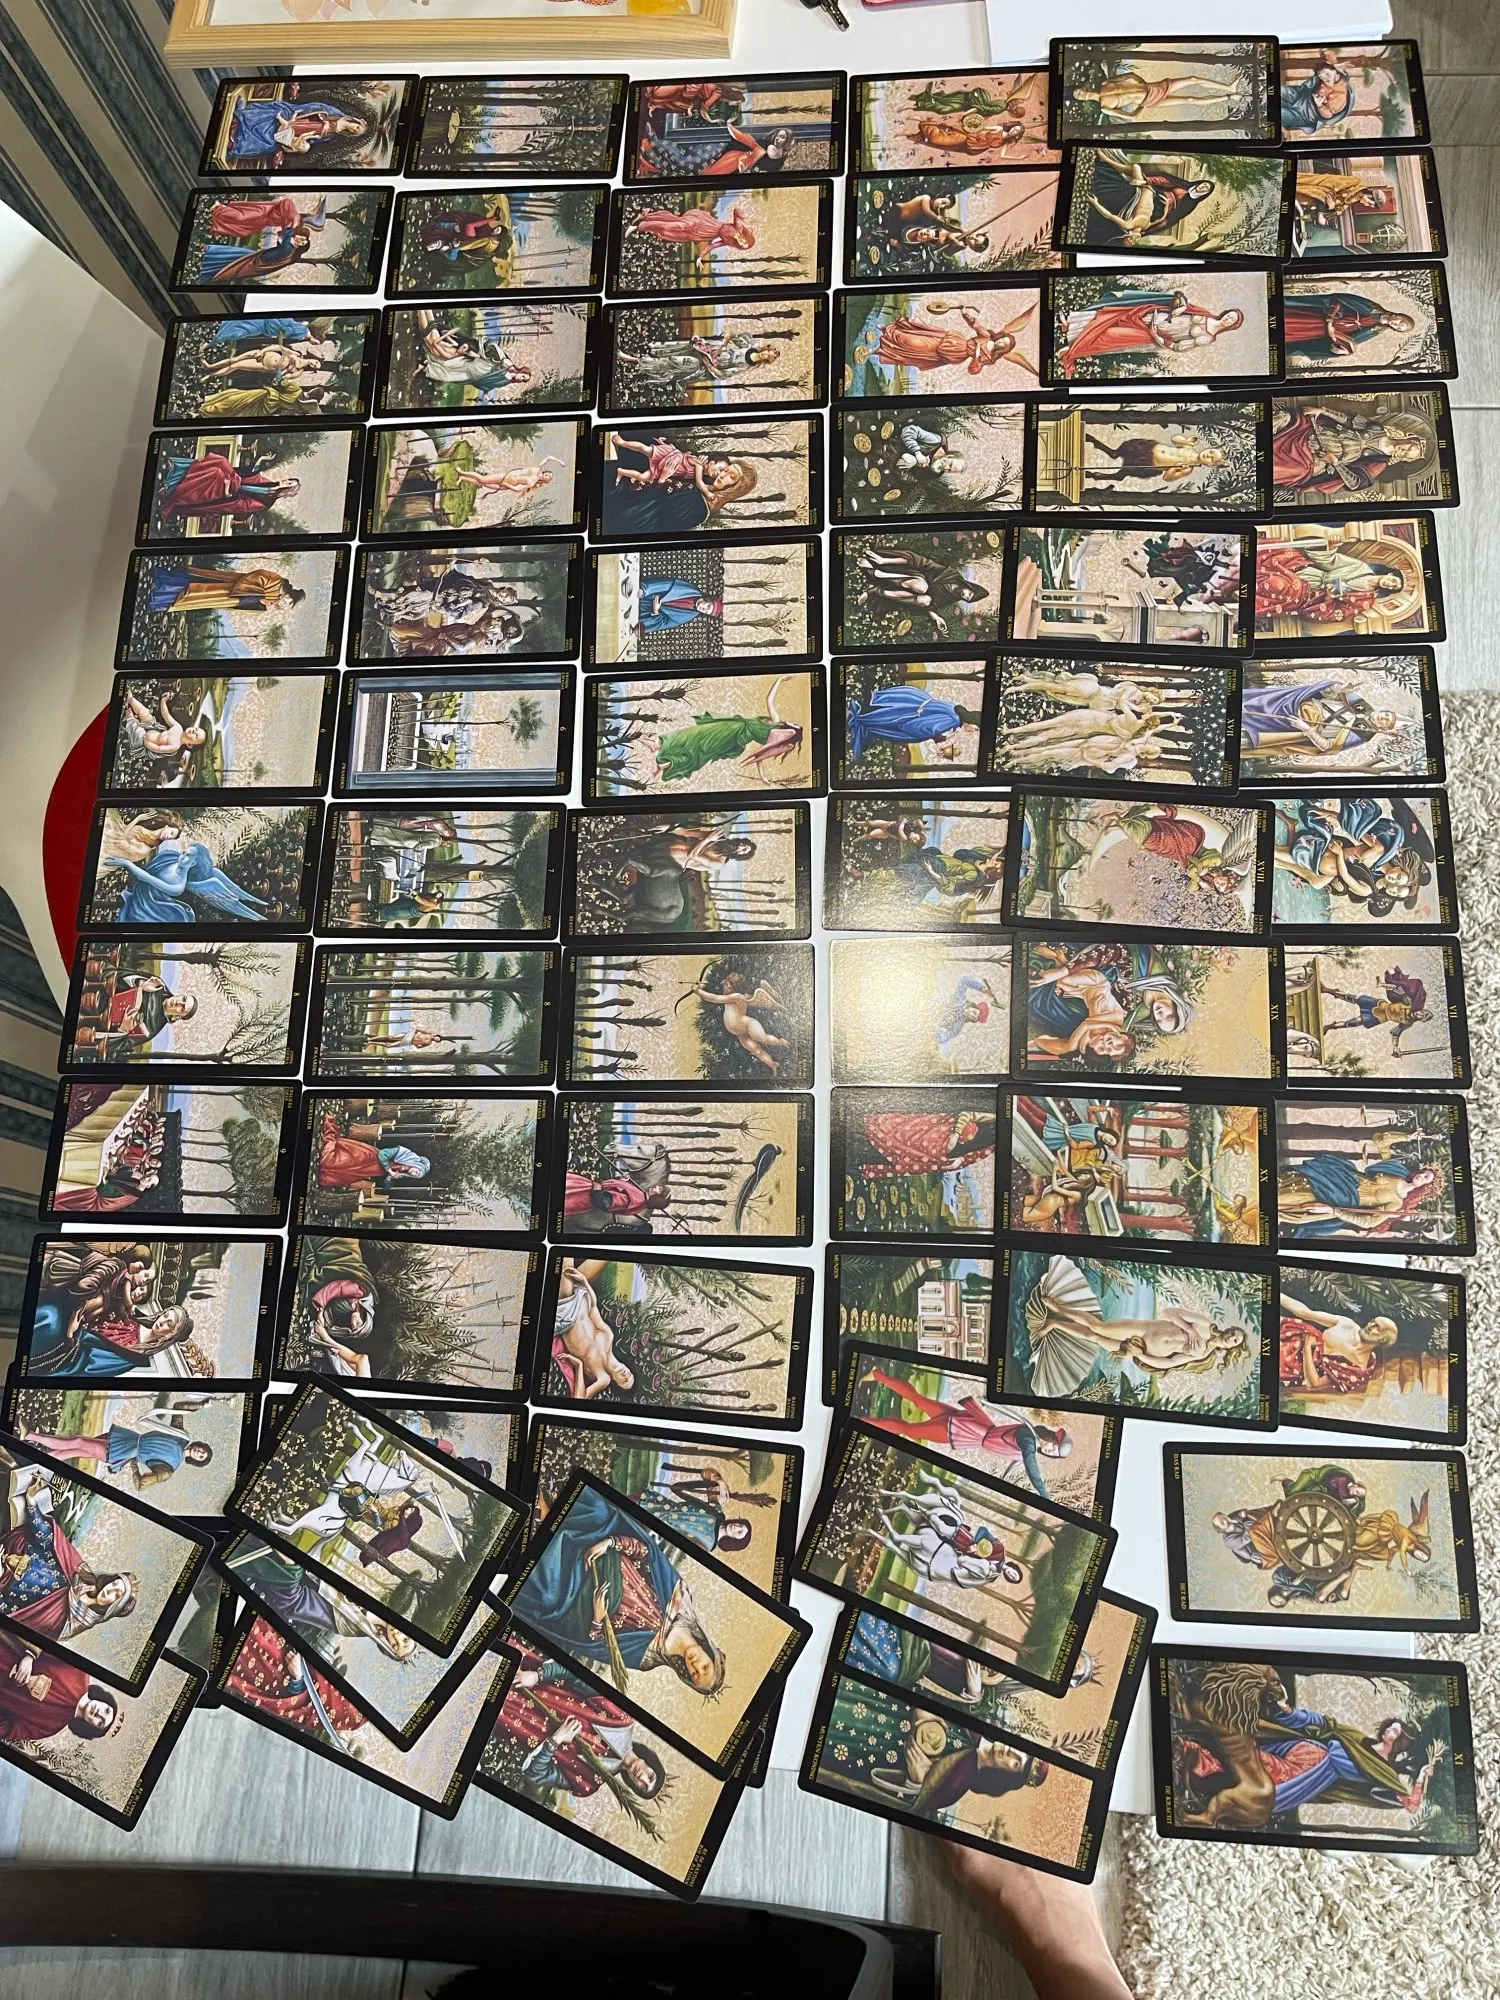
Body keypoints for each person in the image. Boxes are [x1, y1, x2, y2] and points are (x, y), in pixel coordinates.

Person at [513, 1481, 725, 1696]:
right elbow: (647, 1555)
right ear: (710, 1653)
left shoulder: (647, 1659)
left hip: (582, 1595)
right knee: (598, 1510)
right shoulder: (681, 1600)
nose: (695, 1666)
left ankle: (539, 1525)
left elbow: (596, 1645)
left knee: (547, 1594)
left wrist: (598, 1617)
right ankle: (548, 1514)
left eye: (695, 1674)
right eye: (705, 1667)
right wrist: (612, 1543)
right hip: (608, 1554)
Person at [497, 1643, 667, 1808]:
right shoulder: (621, 1718)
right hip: (528, 1677)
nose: (642, 1779)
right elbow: (576, 1674)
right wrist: (537, 1675)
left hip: (510, 1717)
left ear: (634, 1787)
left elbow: (535, 1774)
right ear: (650, 1762)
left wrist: (555, 1741)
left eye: (643, 1787)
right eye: (650, 1776)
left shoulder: (588, 1783)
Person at [857, 1370, 1071, 1496]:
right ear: (1051, 1437)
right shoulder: (1028, 1440)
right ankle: (861, 1422)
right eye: (1055, 1446)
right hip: (967, 1432)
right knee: (909, 1429)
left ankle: (877, 1375)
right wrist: (1044, 1494)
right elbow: (1032, 1467)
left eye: (1055, 1454)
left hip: (974, 1425)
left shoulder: (1030, 1442)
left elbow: (1020, 1461)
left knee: (919, 1402)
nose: (1051, 1451)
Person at [1057, 288, 1244, 378]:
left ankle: (1073, 348)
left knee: (1111, 336)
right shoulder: (1206, 314)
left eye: (1232, 320)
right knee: (1112, 314)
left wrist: (1156, 335)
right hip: (1153, 315)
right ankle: (1072, 326)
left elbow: (1178, 347)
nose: (1228, 318)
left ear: (1232, 326)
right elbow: (1184, 306)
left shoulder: (1207, 338)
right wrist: (1181, 305)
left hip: (1151, 335)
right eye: (1230, 315)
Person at [0, 1630, 121, 1748]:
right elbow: (48, 1637)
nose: (99, 1713)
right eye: (106, 1710)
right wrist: (30, 1656)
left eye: (100, 1722)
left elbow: (7, 1730)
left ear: (91, 1729)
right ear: (105, 1701)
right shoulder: (80, 1672)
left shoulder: (50, 1727)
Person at [23, 1418, 213, 1491]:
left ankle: (30, 1435)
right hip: (127, 1438)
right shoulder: (180, 1436)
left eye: (200, 1457)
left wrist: (133, 1465)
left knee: (78, 1441)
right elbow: (178, 1407)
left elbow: (141, 1484)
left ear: (195, 1461)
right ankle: (39, 1459)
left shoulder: (170, 1468)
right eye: (202, 1450)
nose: (199, 1452)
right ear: (200, 1445)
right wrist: (202, 1403)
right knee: (77, 1450)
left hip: (122, 1452)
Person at [550, 1258, 634, 1401]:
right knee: (603, 1257)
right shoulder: (609, 1337)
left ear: (616, 1384)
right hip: (582, 1296)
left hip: (566, 1313)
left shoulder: (603, 1377)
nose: (626, 1376)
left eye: (625, 1382)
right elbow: (594, 1308)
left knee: (565, 1257)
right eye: (630, 1375)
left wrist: (579, 1365)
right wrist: (584, 1281)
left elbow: (579, 1398)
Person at [197, 196, 328, 285]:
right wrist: (293, 224)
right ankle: (218, 212)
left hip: (257, 258)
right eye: (302, 239)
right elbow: (286, 204)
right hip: (262, 215)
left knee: (233, 253)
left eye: (303, 242)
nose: (301, 241)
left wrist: (291, 228)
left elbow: (282, 243)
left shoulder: (288, 247)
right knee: (240, 219)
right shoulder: (292, 220)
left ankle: (210, 240)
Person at [846, 685, 982, 765]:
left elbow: (933, 721)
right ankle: (862, 719)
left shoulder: (956, 708)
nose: (973, 731)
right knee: (885, 719)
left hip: (917, 703)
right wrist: (938, 737)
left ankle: (865, 715)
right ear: (972, 721)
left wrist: (938, 737)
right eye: (975, 728)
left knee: (886, 711)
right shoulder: (953, 720)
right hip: (911, 717)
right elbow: (924, 727)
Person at [1284, 291, 1416, 364]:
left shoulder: (1376, 330)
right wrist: (1331, 319)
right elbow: (1341, 299)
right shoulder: (1372, 308)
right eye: (1400, 322)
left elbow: (1353, 340)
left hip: (1323, 332)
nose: (1396, 325)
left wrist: (1344, 350)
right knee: (1291, 320)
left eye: (1399, 328)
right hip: (1319, 317)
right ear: (1399, 315)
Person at [226, 97, 366, 163]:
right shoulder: (337, 114)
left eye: (355, 132)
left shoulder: (332, 135)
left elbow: (312, 140)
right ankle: (241, 117)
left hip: (301, 132)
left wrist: (299, 145)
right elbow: (316, 106)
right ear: (355, 121)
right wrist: (303, 115)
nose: (354, 130)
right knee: (276, 115)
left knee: (270, 142)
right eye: (357, 127)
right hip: (303, 119)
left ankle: (236, 142)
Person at [91, 973, 197, 1055]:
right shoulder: (158, 984)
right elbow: (121, 975)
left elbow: (121, 1044)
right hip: (99, 991)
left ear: (178, 1017)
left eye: (182, 1008)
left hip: (96, 1019)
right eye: (183, 999)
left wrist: (123, 1029)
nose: (179, 1002)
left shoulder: (151, 1029)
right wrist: (141, 984)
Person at [316, 1116, 430, 1190]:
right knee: (334, 1161)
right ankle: (330, 1140)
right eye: (416, 1171)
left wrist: (389, 1178)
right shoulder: (404, 1154)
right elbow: (382, 1154)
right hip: (368, 1157)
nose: (414, 1173)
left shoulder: (403, 1172)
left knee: (338, 1177)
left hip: (368, 1170)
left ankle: (326, 1171)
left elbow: (386, 1187)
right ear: (416, 1165)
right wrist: (389, 1170)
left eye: (415, 1175)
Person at [626, 202, 755, 255]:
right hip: (704, 222)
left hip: (701, 234)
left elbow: (713, 246)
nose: (741, 243)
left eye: (741, 246)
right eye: (744, 241)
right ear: (745, 237)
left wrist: (701, 257)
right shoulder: (738, 227)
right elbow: (736, 211)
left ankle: (645, 216)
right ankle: (639, 225)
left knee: (670, 228)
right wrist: (743, 217)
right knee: (677, 225)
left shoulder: (730, 242)